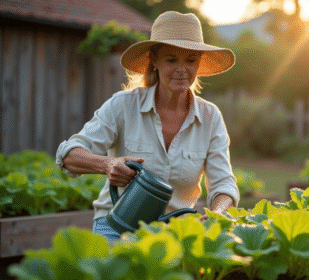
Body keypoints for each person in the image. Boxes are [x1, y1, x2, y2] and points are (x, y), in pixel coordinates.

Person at [55, 11, 239, 242]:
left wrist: (218, 213)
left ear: (199, 62)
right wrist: (108, 164)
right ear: (154, 59)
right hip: (117, 227)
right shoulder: (123, 105)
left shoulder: (210, 117)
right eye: (172, 59)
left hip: (174, 234)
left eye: (190, 60)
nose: (182, 69)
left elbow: (223, 183)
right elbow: (69, 154)